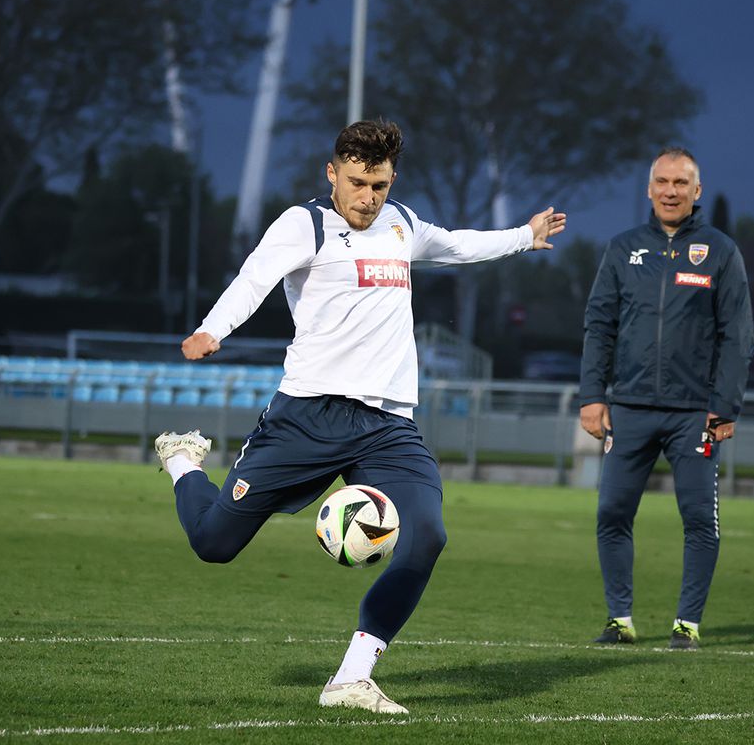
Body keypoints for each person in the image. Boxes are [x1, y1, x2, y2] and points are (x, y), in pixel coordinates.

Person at [155, 119, 565, 713]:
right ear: (332, 173)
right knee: (214, 543)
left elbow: (456, 246)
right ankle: (183, 463)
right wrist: (212, 329)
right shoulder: (304, 224)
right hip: (308, 416)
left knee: (427, 537)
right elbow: (254, 278)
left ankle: (351, 679)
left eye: (379, 185)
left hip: (388, 426)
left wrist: (524, 236)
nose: (368, 198)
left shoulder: (401, 223)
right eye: (357, 183)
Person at [578, 147, 754, 650]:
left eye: (681, 183)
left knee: (699, 520)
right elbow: (599, 326)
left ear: (697, 191)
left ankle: (687, 624)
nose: (670, 191)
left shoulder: (720, 251)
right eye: (662, 182)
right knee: (612, 514)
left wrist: (725, 406)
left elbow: (738, 336)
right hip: (629, 409)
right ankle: (620, 620)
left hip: (694, 413)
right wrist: (592, 396)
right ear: (649, 189)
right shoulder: (624, 249)